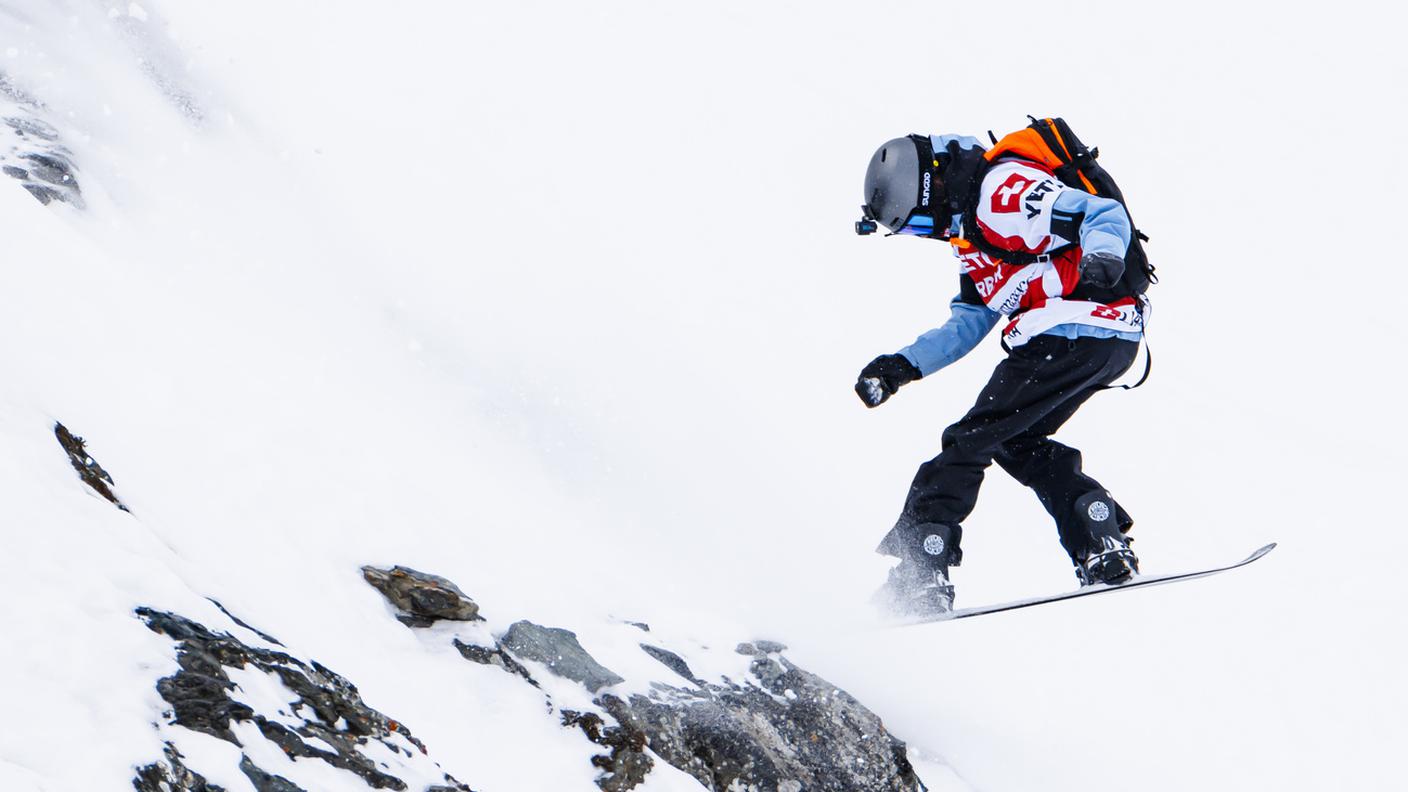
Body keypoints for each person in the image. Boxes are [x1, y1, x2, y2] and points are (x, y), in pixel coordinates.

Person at [854, 128, 1150, 618]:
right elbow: (969, 321)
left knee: (968, 441)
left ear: (926, 192)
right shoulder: (972, 239)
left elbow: (1102, 214)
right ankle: (1098, 536)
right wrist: (901, 367)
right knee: (1017, 441)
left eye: (916, 225)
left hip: (1070, 327)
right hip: (1104, 338)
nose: (923, 235)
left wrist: (1103, 256)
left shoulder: (1001, 191)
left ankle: (920, 571)